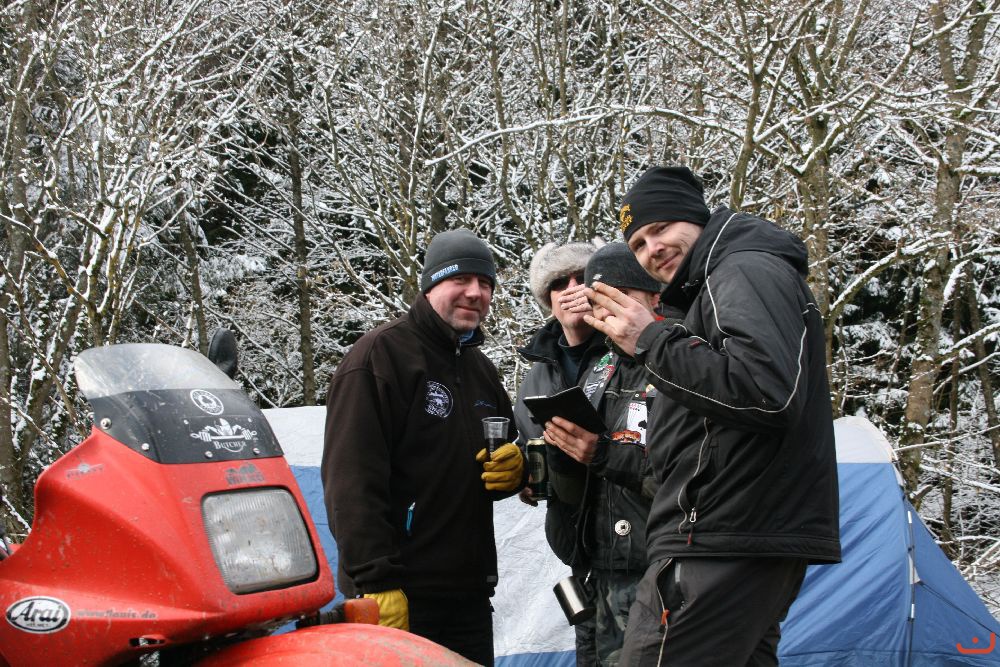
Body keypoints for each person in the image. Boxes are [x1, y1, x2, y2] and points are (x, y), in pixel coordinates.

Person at [584, 166, 841, 666]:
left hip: (719, 536)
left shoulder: (742, 268)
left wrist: (651, 339)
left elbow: (767, 392)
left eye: (660, 228)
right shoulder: (714, 287)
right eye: (638, 244)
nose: (652, 249)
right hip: (735, 533)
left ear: (696, 217)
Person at [322, 228, 525, 666]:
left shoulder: (481, 369)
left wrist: (517, 469)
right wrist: (374, 581)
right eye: (461, 279)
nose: (475, 293)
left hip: (469, 594)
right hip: (398, 594)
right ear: (431, 284)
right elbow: (350, 480)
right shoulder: (379, 357)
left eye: (485, 283)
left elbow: (497, 455)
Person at [541, 243, 666, 666]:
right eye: (599, 299)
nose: (609, 309)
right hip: (597, 571)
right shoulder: (600, 367)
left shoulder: (679, 364)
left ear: (654, 298)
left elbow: (690, 479)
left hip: (655, 570)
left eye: (621, 295)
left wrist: (601, 454)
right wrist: (556, 457)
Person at [512, 240, 606, 664]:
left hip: (637, 545)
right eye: (558, 283)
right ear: (546, 298)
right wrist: (524, 477)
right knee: (590, 650)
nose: (571, 288)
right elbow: (526, 443)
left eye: (582, 278)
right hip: (576, 548)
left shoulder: (631, 350)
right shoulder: (536, 374)